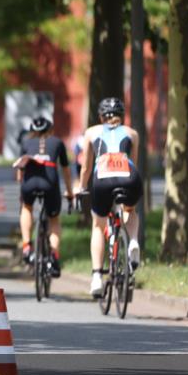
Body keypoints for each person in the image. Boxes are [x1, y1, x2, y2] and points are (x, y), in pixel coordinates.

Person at [76, 97, 144, 298]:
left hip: (103, 178)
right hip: (129, 176)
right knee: (130, 210)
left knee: (98, 225)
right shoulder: (132, 133)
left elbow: (86, 167)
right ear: (121, 116)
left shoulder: (91, 132)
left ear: (100, 116)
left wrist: (81, 187)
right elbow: (134, 162)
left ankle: (97, 276)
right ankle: (132, 241)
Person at [12, 117, 73, 277]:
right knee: (54, 219)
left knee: (26, 207)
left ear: (32, 131)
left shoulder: (25, 143)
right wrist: (70, 192)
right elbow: (66, 170)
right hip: (49, 182)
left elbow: (20, 171)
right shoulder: (58, 143)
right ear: (50, 130)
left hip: (29, 182)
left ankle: (26, 246)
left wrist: (21, 188)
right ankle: (54, 256)